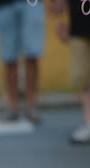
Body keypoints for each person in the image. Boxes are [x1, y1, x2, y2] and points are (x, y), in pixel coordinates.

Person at [0, 0, 45, 124]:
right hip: (4, 5)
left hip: (31, 3)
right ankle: (13, 108)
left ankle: (31, 107)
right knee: (9, 58)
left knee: (32, 55)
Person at [50, 0, 90, 144]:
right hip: (78, 27)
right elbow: (58, 6)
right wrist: (60, 20)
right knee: (83, 78)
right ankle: (88, 123)